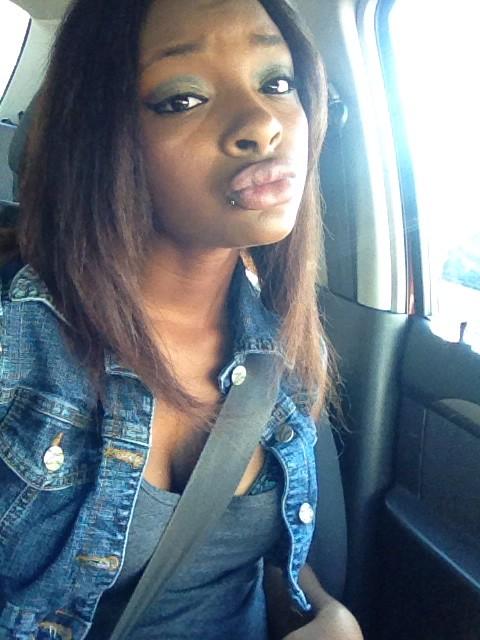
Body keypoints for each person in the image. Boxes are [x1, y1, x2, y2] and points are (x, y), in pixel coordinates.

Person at [0, 0, 363, 638]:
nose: (261, 123)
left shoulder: (284, 349)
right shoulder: (16, 345)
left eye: (277, 83)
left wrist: (323, 612)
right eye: (183, 99)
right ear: (101, 136)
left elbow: (251, 557)